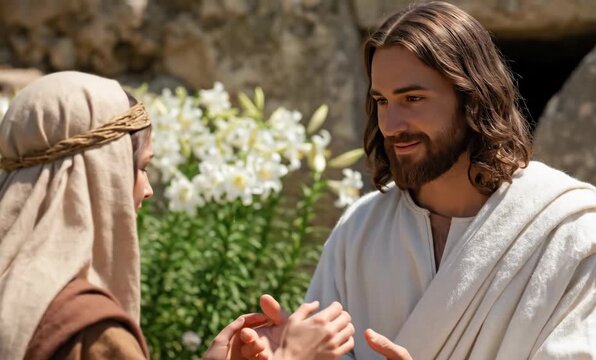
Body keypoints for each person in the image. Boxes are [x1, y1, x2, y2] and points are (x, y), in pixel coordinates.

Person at [242, 2, 596, 359]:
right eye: (382, 101)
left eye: (412, 99)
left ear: (473, 98)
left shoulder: (571, 234)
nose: (390, 125)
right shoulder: (359, 231)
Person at [0, 71, 354, 359]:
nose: (148, 189)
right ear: (100, 174)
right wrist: (291, 356)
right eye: (141, 168)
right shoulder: (90, 332)